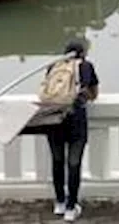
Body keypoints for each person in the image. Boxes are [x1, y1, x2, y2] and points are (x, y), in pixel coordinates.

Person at [41, 39, 99, 222]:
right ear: (83, 53)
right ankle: (71, 207)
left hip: (53, 118)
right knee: (74, 163)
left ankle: (59, 201)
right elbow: (93, 94)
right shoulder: (86, 66)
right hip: (75, 119)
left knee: (57, 160)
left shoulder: (53, 67)